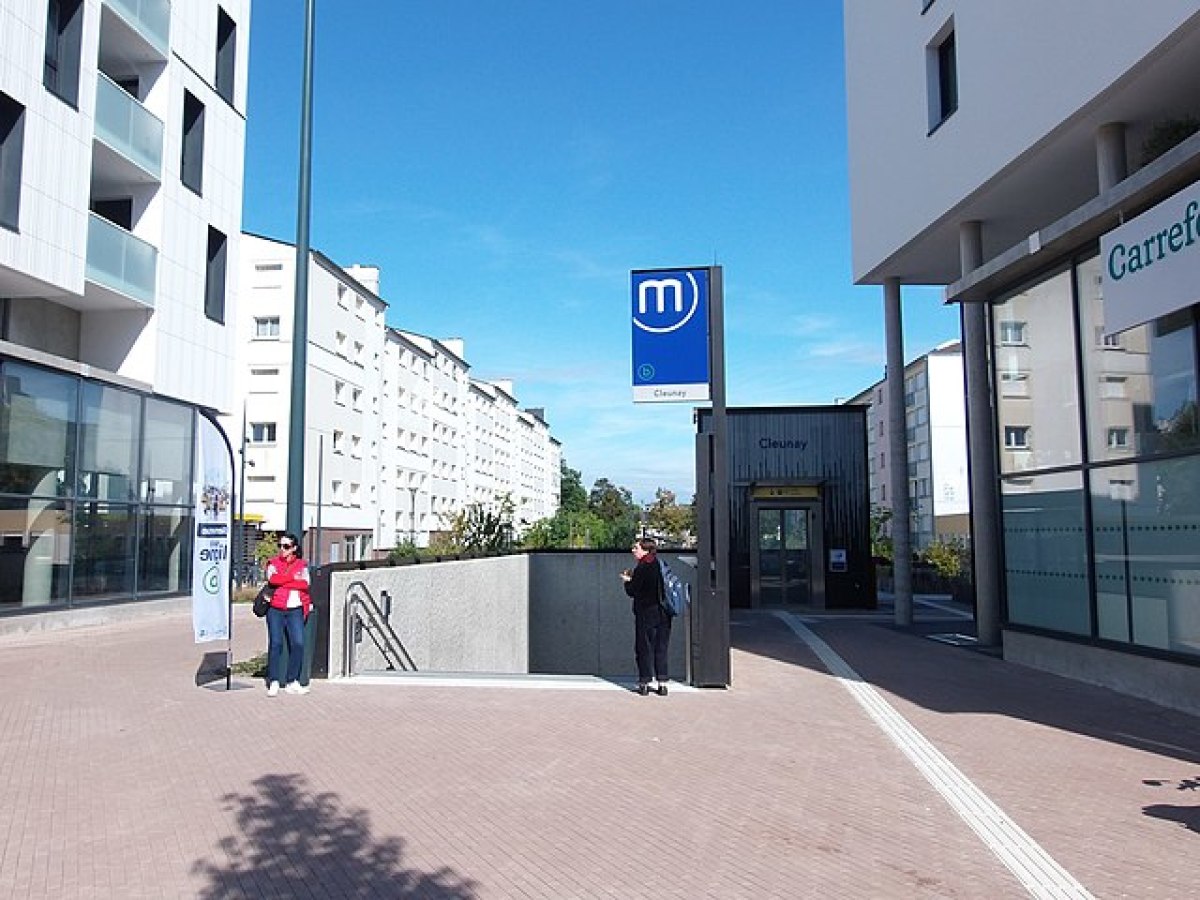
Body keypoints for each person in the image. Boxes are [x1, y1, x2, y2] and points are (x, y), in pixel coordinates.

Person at [621, 537, 671, 696]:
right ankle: (662, 683)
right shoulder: (660, 564)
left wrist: (627, 581)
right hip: (664, 612)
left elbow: (633, 591)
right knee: (661, 647)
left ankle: (644, 682)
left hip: (645, 613)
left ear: (646, 550)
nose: (633, 550)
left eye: (636, 547)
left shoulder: (643, 567)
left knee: (644, 647)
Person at [264, 532, 311, 696]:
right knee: (276, 644)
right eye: (280, 546)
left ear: (294, 548)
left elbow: (305, 583)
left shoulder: (302, 565)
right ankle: (274, 680)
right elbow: (273, 579)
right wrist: (292, 578)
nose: (282, 549)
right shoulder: (273, 563)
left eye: (286, 546)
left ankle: (293, 680)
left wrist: (284, 579)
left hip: (295, 609)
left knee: (298, 643)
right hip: (276, 608)